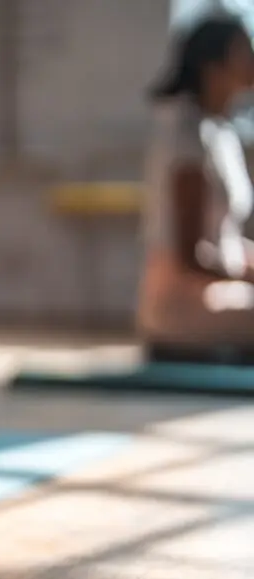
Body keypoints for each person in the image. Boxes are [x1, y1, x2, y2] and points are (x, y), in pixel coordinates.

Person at [138, 14, 254, 351]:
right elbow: (192, 255)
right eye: (243, 51)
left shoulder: (220, 131)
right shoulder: (185, 132)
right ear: (213, 64)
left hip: (220, 291)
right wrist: (246, 275)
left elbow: (223, 240)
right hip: (185, 305)